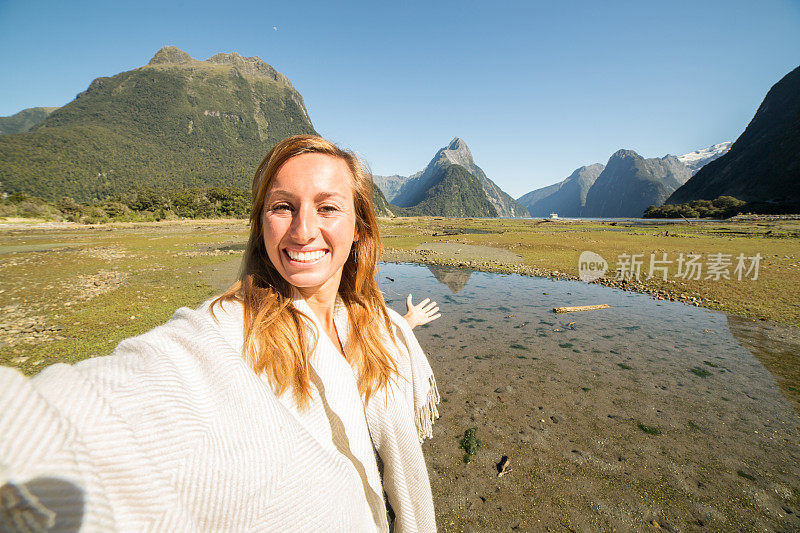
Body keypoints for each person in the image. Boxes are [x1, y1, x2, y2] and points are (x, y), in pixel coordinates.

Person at [0, 135, 440, 532]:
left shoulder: (371, 321)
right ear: (262, 223)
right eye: (282, 206)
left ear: (359, 226)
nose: (304, 230)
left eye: (327, 207)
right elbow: (103, 411)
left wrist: (406, 325)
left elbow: (373, 337)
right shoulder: (229, 328)